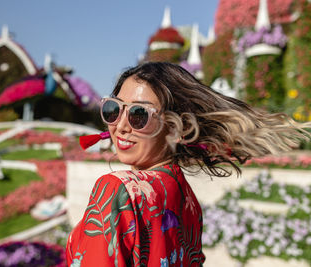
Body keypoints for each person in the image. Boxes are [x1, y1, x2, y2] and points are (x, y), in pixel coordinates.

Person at [66, 62, 310, 266]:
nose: (120, 125)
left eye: (138, 115)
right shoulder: (188, 200)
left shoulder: (117, 190)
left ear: (176, 129)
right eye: (114, 109)